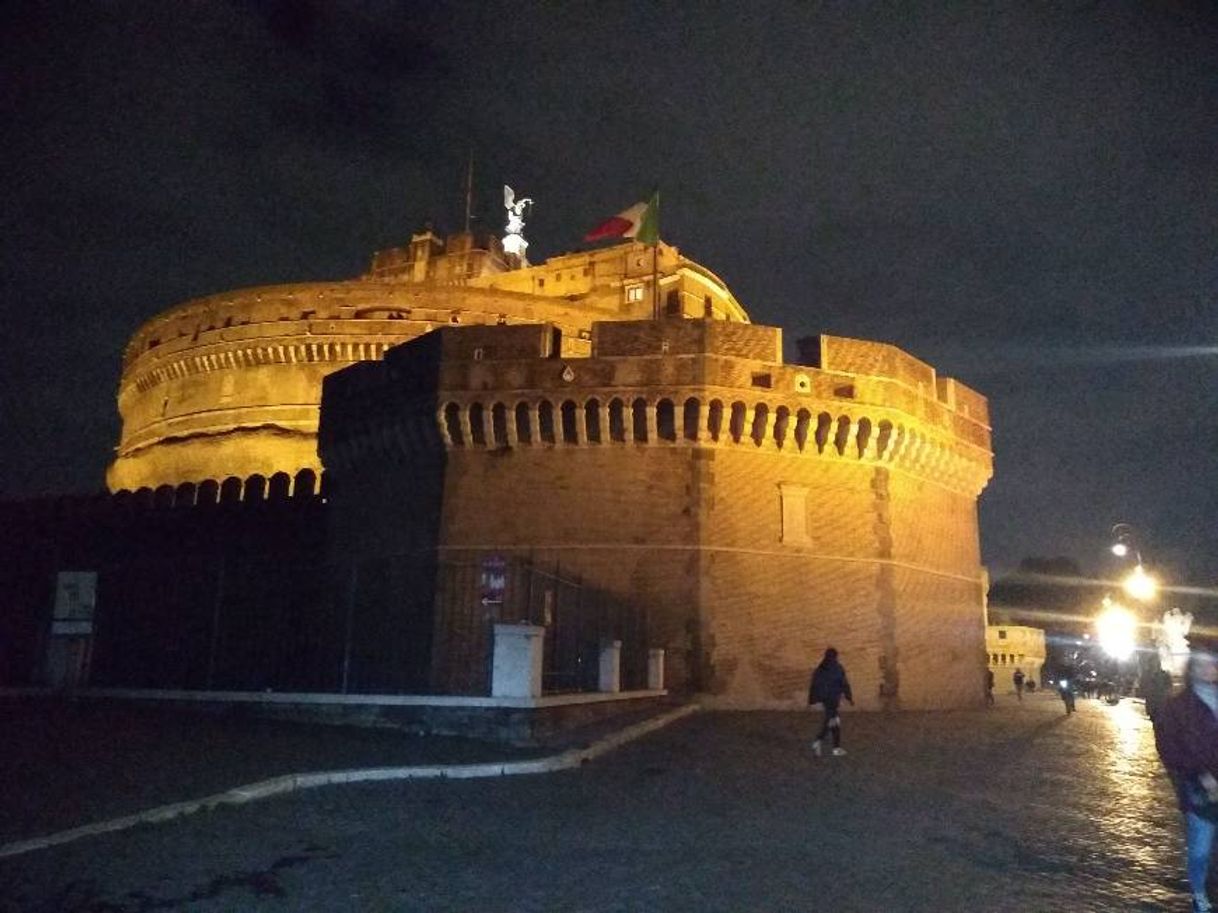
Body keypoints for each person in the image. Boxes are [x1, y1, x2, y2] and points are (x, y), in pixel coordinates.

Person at [1154, 649, 1218, 913]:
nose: (1208, 669)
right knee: (1201, 846)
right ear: (1191, 669)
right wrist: (1201, 775)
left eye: (1212, 664)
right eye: (1201, 665)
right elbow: (1169, 747)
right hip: (1198, 786)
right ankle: (1200, 894)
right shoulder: (1178, 705)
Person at [808, 647, 854, 757]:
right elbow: (844, 684)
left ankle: (834, 747)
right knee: (834, 722)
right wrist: (849, 697)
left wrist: (812, 699)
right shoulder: (837, 668)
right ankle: (821, 741)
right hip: (833, 699)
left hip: (825, 699)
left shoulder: (820, 669)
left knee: (833, 722)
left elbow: (814, 685)